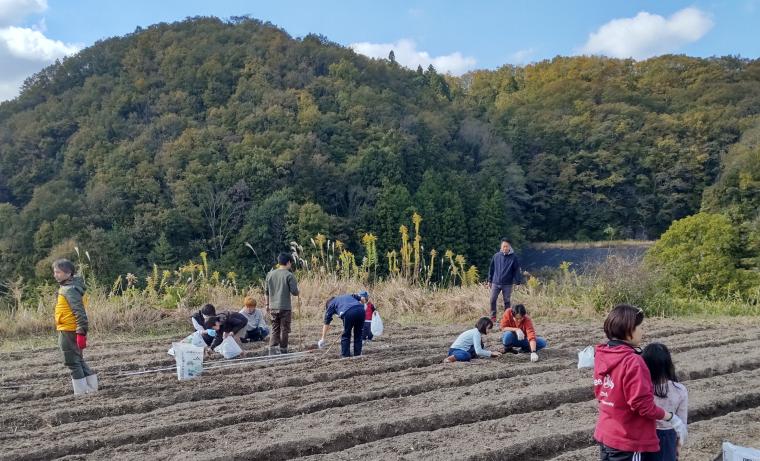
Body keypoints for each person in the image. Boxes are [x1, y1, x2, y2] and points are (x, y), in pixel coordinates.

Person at [594, 304, 687, 461]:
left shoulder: (602, 353)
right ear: (629, 330)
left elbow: (599, 391)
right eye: (640, 327)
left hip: (606, 432)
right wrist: (671, 417)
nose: (642, 332)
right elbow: (642, 405)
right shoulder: (633, 361)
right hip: (627, 438)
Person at [52, 259, 98, 395]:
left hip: (68, 330)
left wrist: (81, 332)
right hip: (69, 328)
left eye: (58, 272)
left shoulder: (69, 290)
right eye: (54, 272)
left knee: (72, 362)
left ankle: (82, 393)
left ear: (68, 273)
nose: (55, 275)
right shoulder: (68, 287)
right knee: (78, 360)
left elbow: (80, 312)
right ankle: (92, 389)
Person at [642, 343, 688, 461]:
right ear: (668, 364)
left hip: (643, 435)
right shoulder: (679, 390)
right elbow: (682, 423)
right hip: (668, 438)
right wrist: (679, 445)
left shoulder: (642, 389)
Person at [265, 252, 299, 355]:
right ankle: (283, 350)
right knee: (284, 329)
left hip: (272, 307)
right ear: (288, 262)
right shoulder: (289, 275)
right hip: (285, 307)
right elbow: (294, 292)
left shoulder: (270, 274)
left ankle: (272, 349)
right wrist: (298, 291)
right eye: (291, 263)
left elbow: (266, 292)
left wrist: (267, 305)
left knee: (275, 328)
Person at [318, 292, 366, 357]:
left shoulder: (331, 304)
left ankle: (345, 356)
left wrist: (323, 338)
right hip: (361, 310)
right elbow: (362, 298)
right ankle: (357, 355)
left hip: (348, 312)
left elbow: (326, 322)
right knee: (358, 334)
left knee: (346, 335)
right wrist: (362, 306)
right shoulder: (347, 295)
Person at [487, 238, 522, 323]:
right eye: (503, 246)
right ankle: (493, 317)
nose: (505, 248)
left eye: (506, 246)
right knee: (492, 299)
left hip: (507, 284)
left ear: (509, 247)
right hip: (495, 282)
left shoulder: (513, 257)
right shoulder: (496, 256)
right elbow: (491, 268)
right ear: (501, 247)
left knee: (507, 301)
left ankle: (507, 318)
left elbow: (516, 270)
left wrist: (518, 282)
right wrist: (489, 280)